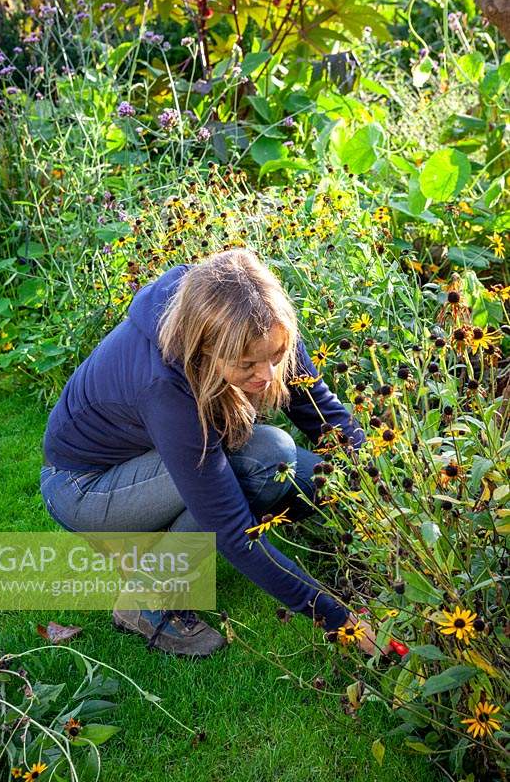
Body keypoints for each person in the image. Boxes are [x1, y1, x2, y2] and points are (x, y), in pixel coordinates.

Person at [40, 249, 378, 658]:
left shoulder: (255, 315)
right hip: (86, 488)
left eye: (275, 357)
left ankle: (165, 543)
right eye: (249, 364)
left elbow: (319, 409)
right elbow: (235, 532)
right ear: (205, 350)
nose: (269, 374)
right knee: (267, 460)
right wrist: (340, 620)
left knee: (315, 482)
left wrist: (382, 486)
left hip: (149, 463)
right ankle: (147, 599)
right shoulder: (166, 386)